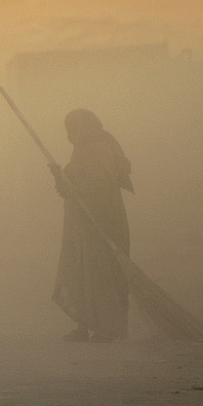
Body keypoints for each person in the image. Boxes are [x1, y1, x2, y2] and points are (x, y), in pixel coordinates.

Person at [51, 109, 134, 343]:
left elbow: (98, 186)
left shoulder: (100, 147)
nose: (71, 133)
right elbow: (71, 185)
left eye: (75, 127)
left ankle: (107, 329)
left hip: (103, 221)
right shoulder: (82, 148)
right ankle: (84, 325)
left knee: (103, 273)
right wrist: (60, 177)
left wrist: (70, 186)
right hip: (82, 225)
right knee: (82, 273)